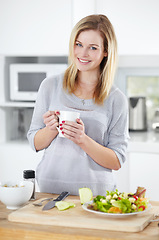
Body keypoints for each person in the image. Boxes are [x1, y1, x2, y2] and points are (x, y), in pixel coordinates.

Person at [27, 14, 129, 196]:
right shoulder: (50, 86)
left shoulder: (116, 99)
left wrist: (83, 139)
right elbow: (34, 141)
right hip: (50, 190)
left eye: (93, 47)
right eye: (79, 44)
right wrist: (52, 129)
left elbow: (117, 160)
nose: (82, 53)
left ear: (106, 51)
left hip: (96, 195)